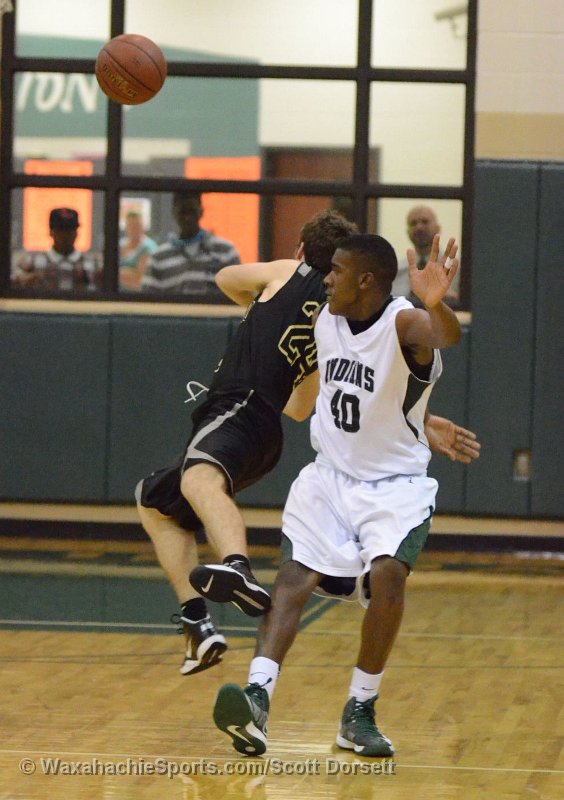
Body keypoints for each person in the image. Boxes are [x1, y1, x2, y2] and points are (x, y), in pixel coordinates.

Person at [212, 231, 469, 759]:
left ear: (367, 280)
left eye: (338, 271)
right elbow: (354, 390)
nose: (327, 279)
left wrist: (436, 303)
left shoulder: (402, 322)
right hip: (330, 476)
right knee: (292, 578)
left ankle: (360, 711)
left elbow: (445, 336)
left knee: (388, 575)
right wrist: (424, 416)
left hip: (394, 484)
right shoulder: (325, 318)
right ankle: (257, 698)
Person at [135, 210, 359, 676]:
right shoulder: (332, 323)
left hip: (237, 407)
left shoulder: (288, 271)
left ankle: (238, 567)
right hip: (267, 436)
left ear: (302, 249)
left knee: (197, 482)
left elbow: (225, 277)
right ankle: (197, 624)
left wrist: (259, 305)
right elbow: (299, 408)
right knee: (154, 501)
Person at [141, 191, 241, 300]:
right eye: (182, 212)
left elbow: (240, 296)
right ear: (174, 213)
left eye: (192, 211)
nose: (187, 218)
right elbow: (148, 301)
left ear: (201, 212)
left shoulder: (225, 251)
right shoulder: (159, 258)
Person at [11, 207, 101, 291]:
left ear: (76, 233)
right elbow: (12, 282)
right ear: (51, 232)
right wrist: (26, 281)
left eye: (70, 230)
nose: (65, 235)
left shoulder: (93, 264)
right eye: (60, 230)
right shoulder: (31, 262)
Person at [392, 205, 460, 308]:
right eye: (413, 223)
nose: (419, 227)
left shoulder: (457, 269)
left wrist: (451, 298)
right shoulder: (396, 272)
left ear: (438, 228)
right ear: (408, 232)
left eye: (425, 222)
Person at [119, 210, 157, 291]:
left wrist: (120, 273)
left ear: (143, 226)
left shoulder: (149, 247)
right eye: (131, 225)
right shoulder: (121, 244)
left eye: (137, 225)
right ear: (126, 227)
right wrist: (131, 272)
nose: (134, 229)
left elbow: (140, 281)